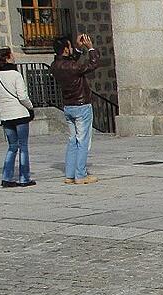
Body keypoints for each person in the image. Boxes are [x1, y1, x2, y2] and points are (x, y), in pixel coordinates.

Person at [52, 34, 101, 185]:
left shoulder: (55, 65)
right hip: (81, 106)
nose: (72, 48)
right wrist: (90, 48)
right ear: (66, 49)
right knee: (83, 141)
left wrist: (79, 50)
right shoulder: (72, 67)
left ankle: (70, 174)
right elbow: (92, 64)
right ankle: (80, 174)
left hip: (68, 106)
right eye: (70, 47)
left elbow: (72, 63)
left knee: (72, 140)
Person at [0, 47, 35, 188]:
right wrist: (30, 107)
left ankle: (6, 177)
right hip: (20, 114)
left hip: (6, 116)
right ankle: (24, 178)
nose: (14, 57)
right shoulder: (15, 75)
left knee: (12, 147)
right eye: (11, 55)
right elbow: (22, 96)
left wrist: (1, 105)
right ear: (7, 58)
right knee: (23, 147)